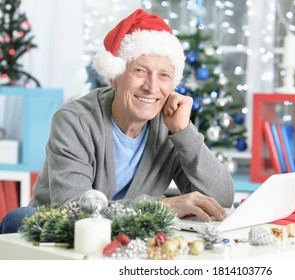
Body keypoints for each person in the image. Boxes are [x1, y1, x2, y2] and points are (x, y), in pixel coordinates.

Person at [0, 9, 234, 234]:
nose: (152, 87)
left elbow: (221, 199)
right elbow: (73, 210)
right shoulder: (75, 120)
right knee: (18, 218)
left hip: (135, 240)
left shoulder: (171, 127)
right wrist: (159, 207)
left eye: (164, 75)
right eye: (140, 71)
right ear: (114, 77)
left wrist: (184, 132)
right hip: (63, 237)